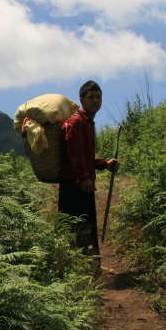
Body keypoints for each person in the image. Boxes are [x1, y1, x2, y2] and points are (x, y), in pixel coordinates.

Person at [58, 80, 119, 277]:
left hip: (83, 184)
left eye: (98, 97)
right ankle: (78, 272)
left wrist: (104, 164)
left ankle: (92, 269)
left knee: (87, 226)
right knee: (79, 228)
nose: (95, 101)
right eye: (91, 97)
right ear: (81, 99)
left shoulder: (88, 123)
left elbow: (85, 158)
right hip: (74, 186)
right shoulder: (76, 123)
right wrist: (83, 177)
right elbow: (73, 155)